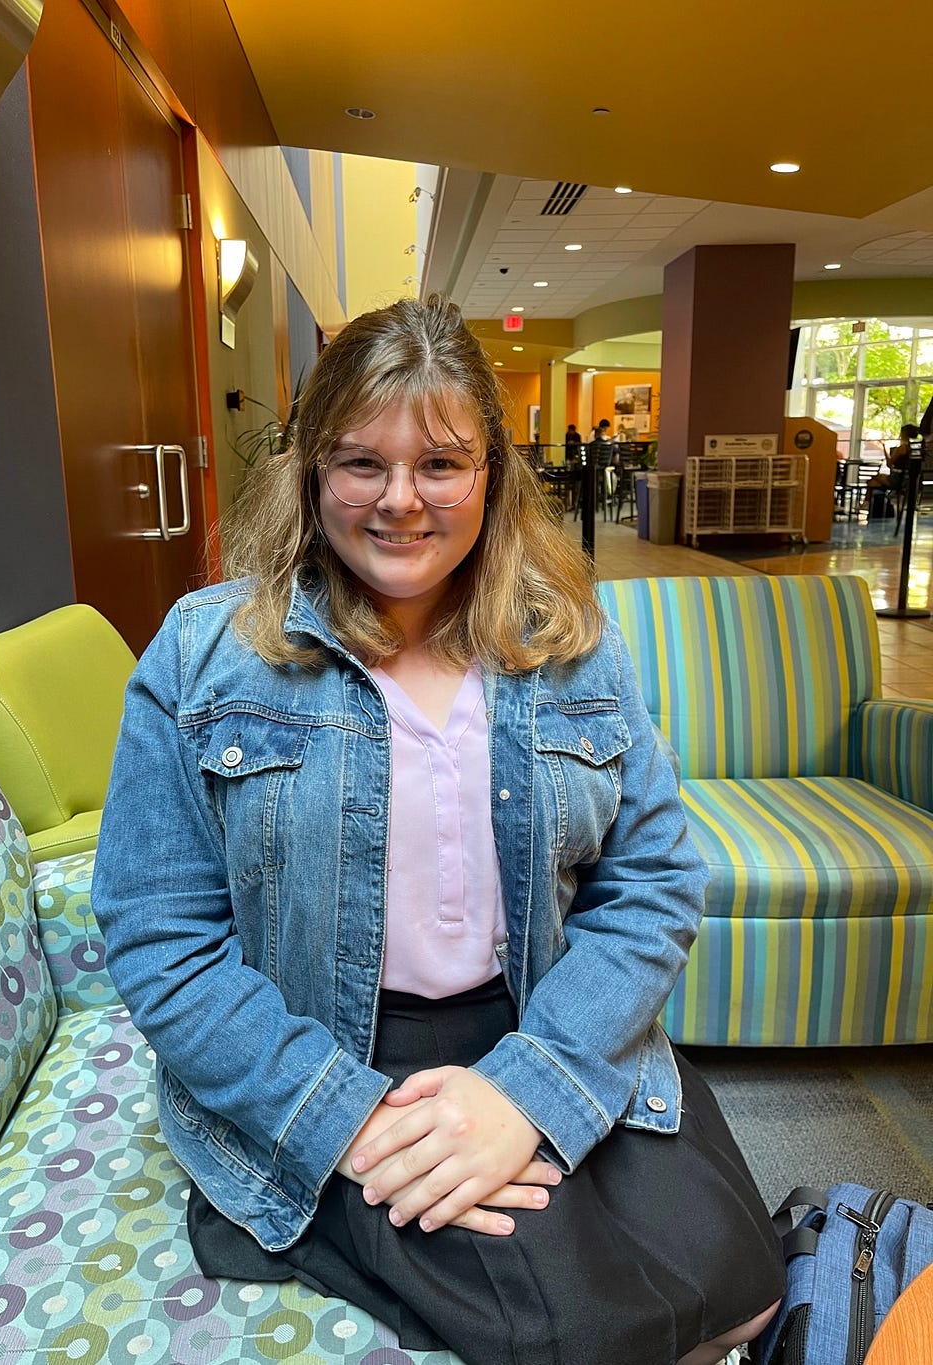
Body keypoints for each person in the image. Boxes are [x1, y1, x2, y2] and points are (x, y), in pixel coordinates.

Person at [92, 295, 784, 1365]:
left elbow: (649, 884)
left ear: (493, 474)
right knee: (584, 1333)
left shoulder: (572, 645)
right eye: (360, 463)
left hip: (554, 1016)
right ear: (310, 470)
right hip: (331, 1048)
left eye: (441, 464)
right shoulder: (202, 654)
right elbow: (159, 937)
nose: (400, 501)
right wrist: (349, 1122)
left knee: (738, 1285)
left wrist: (531, 1088)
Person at [861, 423, 920, 515]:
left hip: (897, 479)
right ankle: (870, 504)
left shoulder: (901, 448)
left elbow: (889, 464)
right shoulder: (914, 448)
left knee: (872, 479)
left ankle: (867, 504)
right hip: (907, 479)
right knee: (874, 482)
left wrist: (884, 449)